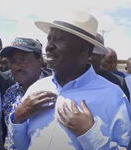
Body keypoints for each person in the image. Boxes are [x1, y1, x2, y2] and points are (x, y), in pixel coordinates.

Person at [10, 12, 131, 149]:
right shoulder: (36, 88)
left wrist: (89, 134)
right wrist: (18, 119)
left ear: (84, 50)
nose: (49, 46)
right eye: (50, 39)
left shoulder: (113, 96)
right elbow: (21, 146)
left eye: (59, 40)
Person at [0, 37, 49, 149]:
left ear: (40, 61)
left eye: (23, 60)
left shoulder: (55, 91)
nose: (17, 67)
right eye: (13, 61)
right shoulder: (10, 93)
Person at [89, 33, 130, 100]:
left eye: (115, 62)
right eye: (109, 62)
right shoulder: (71, 78)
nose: (113, 65)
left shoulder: (119, 81)